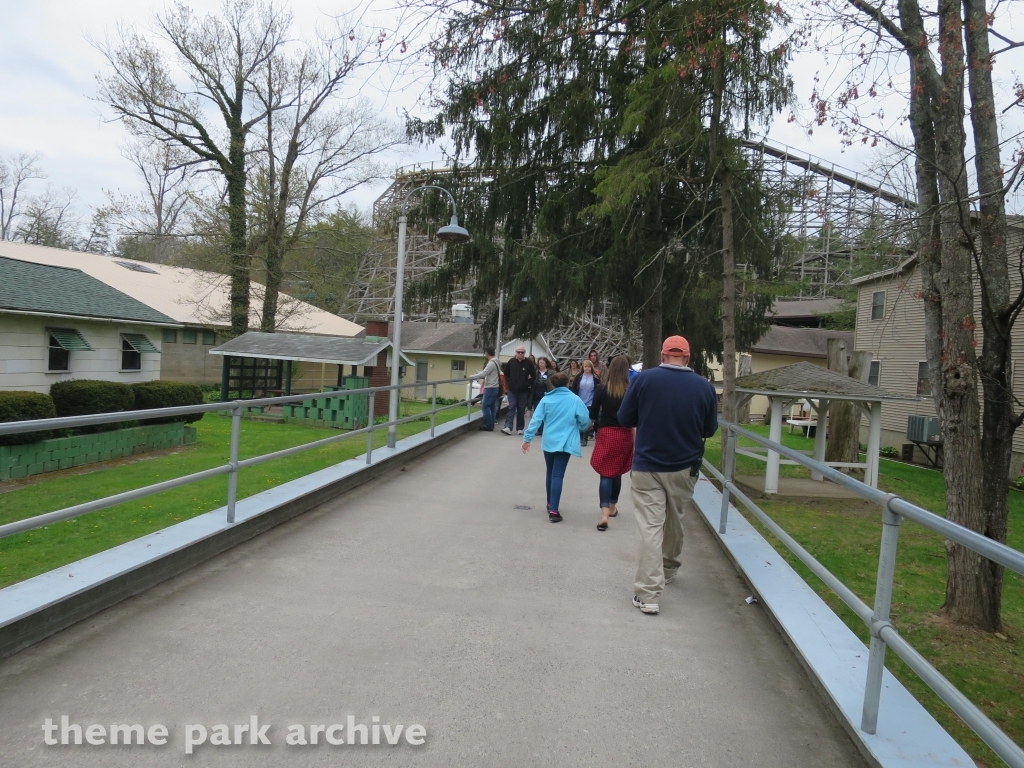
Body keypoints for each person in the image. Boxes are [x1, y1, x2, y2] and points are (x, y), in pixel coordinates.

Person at [617, 335, 718, 615]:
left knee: (650, 527)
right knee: (675, 519)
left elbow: (625, 418)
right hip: (684, 467)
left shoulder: (644, 380)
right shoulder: (704, 387)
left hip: (648, 465)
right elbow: (710, 429)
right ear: (688, 357)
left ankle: (648, 594)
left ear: (663, 356)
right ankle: (669, 567)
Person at [521, 371, 592, 522]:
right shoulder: (575, 399)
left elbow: (536, 420)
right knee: (558, 474)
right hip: (565, 442)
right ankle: (554, 510)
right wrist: (579, 427)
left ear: (553, 384)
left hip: (549, 441)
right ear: (568, 384)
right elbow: (585, 420)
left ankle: (549, 502)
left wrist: (527, 438)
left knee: (550, 472)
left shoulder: (546, 399)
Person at [589, 356, 634, 532]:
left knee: (606, 473)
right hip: (625, 434)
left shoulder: (601, 388)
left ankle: (604, 514)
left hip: (606, 432)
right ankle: (613, 507)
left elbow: (593, 412)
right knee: (617, 472)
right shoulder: (630, 390)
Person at [501, 346, 535, 435]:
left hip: (523, 391)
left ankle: (520, 428)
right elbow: (506, 373)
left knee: (521, 409)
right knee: (511, 407)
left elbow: (533, 375)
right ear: (516, 352)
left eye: (522, 352)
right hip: (512, 390)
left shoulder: (528, 363)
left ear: (525, 353)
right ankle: (508, 426)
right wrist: (509, 382)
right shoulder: (511, 362)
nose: (520, 354)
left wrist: (527, 384)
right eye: (518, 352)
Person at [468, 348, 502, 431]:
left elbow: (484, 373)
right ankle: (492, 424)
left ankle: (488, 426)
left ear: (487, 353)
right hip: (495, 387)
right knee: (492, 407)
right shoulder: (497, 362)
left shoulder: (491, 363)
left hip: (490, 387)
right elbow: (489, 374)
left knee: (485, 406)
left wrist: (473, 376)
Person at [570, 359, 600, 446]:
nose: (587, 368)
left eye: (588, 367)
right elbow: (574, 388)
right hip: (580, 401)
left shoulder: (595, 378)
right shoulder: (579, 377)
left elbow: (598, 390)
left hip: (590, 402)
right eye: (585, 367)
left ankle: (584, 438)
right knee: (579, 419)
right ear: (583, 368)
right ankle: (579, 436)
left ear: (591, 367)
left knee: (587, 420)